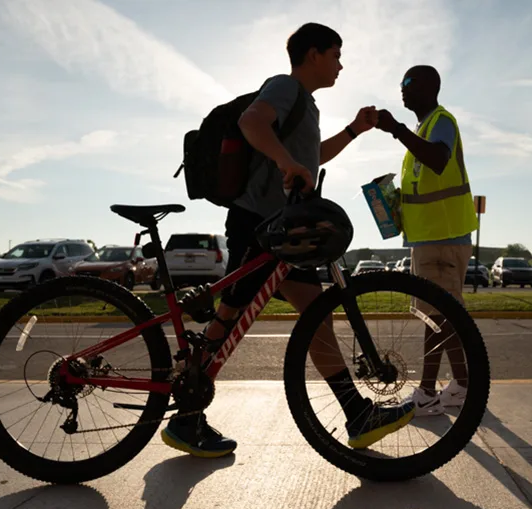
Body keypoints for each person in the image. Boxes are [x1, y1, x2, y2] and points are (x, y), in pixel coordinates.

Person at [161, 23, 416, 457]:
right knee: (226, 322)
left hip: (285, 232)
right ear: (313, 54)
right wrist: (285, 163)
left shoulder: (306, 106)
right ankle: (185, 417)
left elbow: (311, 158)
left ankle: (356, 413)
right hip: (257, 226)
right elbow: (251, 122)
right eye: (336, 54)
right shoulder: (284, 87)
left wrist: (354, 130)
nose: (340, 63)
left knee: (318, 317)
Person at [374, 65, 479, 416]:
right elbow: (426, 182)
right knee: (437, 316)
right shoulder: (424, 128)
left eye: (408, 82)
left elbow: (437, 159)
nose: (401, 88)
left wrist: (396, 129)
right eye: (400, 82)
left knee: (439, 317)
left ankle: (431, 391)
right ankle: (457, 387)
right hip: (430, 238)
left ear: (430, 86)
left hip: (444, 238)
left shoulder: (441, 121)